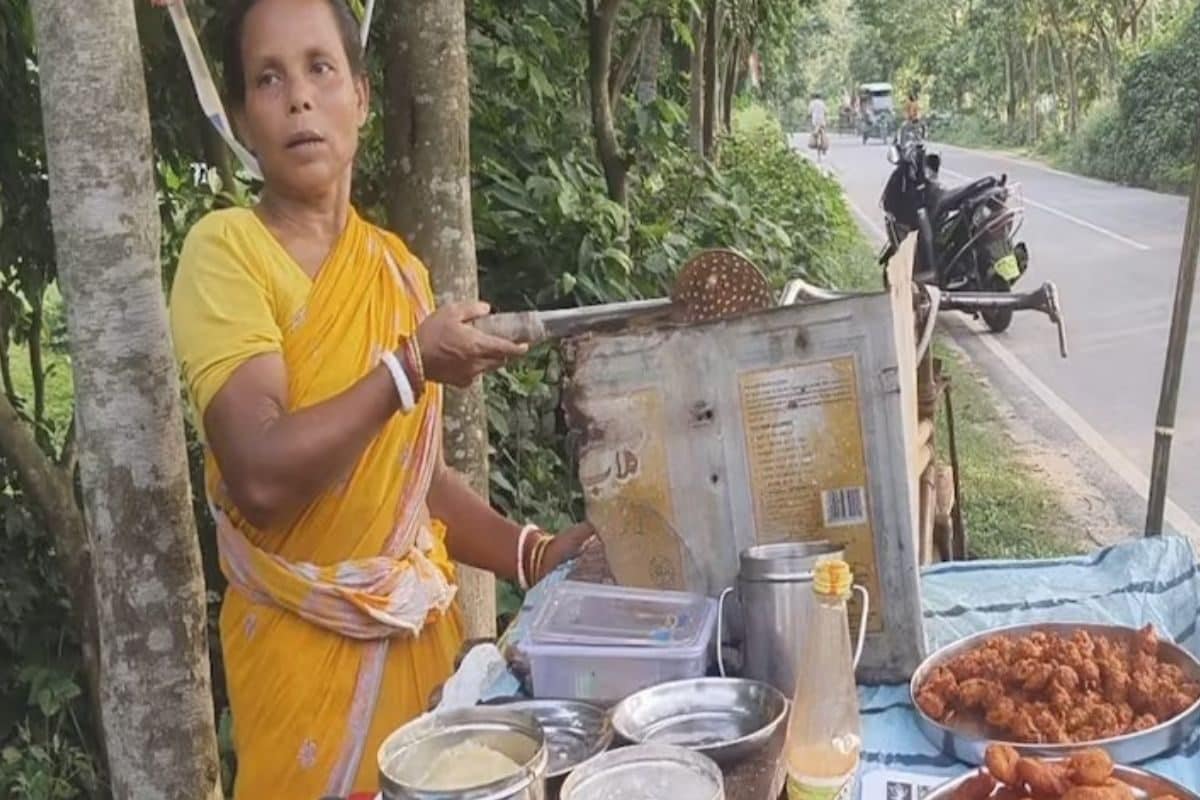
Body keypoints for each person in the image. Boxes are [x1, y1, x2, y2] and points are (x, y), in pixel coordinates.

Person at [155, 0, 594, 796]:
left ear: (360, 95)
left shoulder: (397, 270)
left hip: (419, 661)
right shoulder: (227, 255)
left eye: (320, 68)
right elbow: (259, 471)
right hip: (298, 667)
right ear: (246, 118)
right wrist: (407, 369)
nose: (298, 98)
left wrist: (529, 552)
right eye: (268, 79)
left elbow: (403, 478)